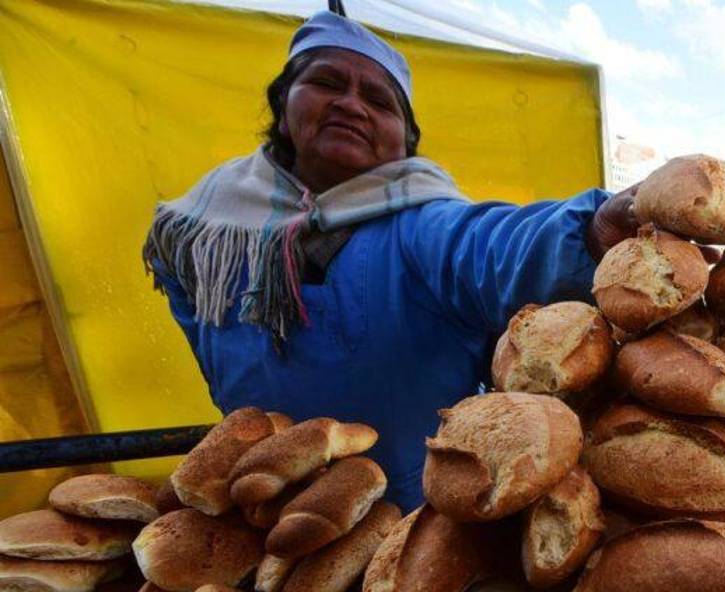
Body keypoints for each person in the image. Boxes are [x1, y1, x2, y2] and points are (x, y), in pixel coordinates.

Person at [142, 11, 648, 511]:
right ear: (282, 105)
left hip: (410, 521)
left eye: (378, 100)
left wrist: (592, 228)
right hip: (262, 513)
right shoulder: (202, 230)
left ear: (403, 140)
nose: (350, 104)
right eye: (326, 82)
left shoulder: (421, 225)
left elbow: (495, 245)